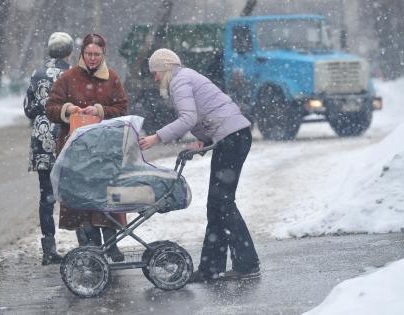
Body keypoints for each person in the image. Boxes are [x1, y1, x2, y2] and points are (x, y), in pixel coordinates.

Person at [139, 48, 260, 282]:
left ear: (164, 68)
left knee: (222, 202)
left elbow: (188, 118)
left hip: (232, 138)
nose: (154, 77)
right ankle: (211, 268)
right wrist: (202, 141)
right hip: (233, 137)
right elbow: (211, 111)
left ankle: (246, 264)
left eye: (155, 72)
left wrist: (156, 137)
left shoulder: (179, 80)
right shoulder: (186, 77)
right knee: (217, 204)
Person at [46, 33, 128, 261]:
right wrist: (68, 109)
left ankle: (111, 245)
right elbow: (51, 107)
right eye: (89, 54)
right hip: (75, 152)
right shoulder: (68, 77)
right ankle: (90, 250)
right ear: (82, 53)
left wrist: (101, 111)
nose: (92, 58)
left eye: (97, 54)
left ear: (103, 54)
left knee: (105, 198)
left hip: (104, 151)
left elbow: (122, 108)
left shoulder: (112, 78)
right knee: (81, 201)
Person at [23, 32, 73, 265]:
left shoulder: (37, 74)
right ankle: (86, 243)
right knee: (75, 193)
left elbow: (29, 109)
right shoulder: (74, 74)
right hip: (67, 138)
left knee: (47, 197)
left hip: (42, 139)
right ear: (69, 51)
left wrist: (42, 112)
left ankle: (49, 249)